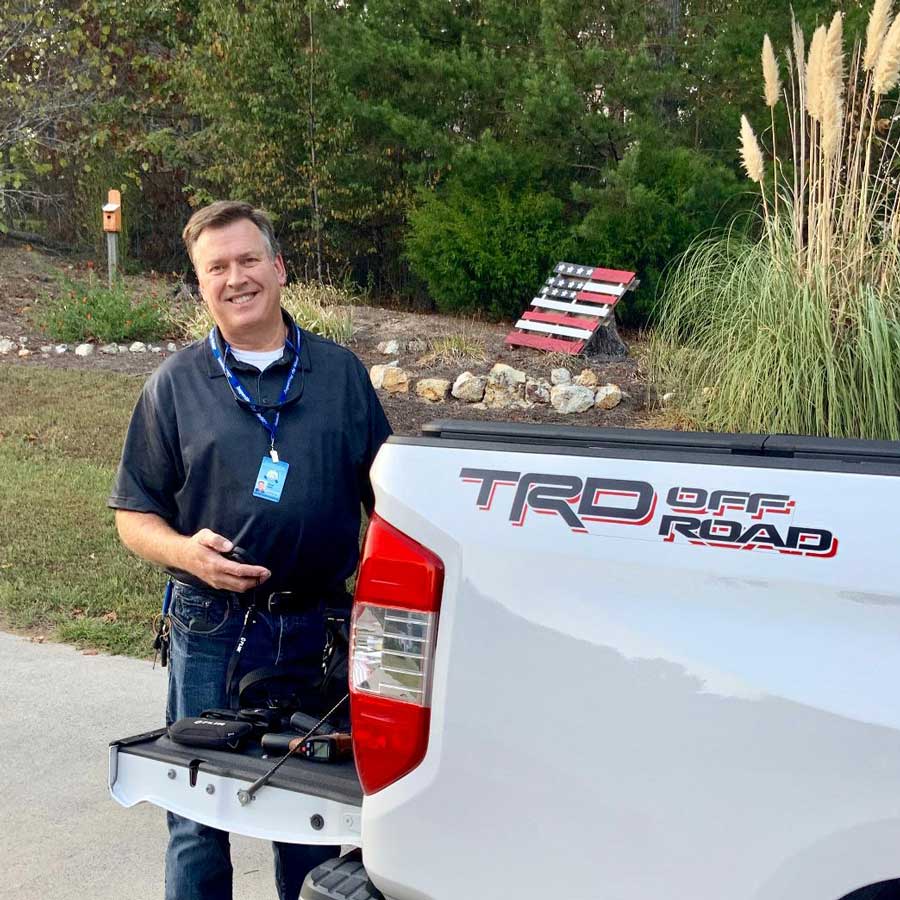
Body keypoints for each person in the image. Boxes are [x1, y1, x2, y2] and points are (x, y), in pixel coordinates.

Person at [109, 200, 391, 900]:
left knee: (309, 817)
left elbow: (389, 501)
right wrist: (186, 553)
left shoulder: (340, 376)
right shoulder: (174, 385)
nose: (236, 278)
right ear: (201, 285)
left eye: (247, 260)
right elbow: (132, 514)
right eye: (217, 268)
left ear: (279, 268)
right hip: (210, 630)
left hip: (317, 631)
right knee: (197, 821)